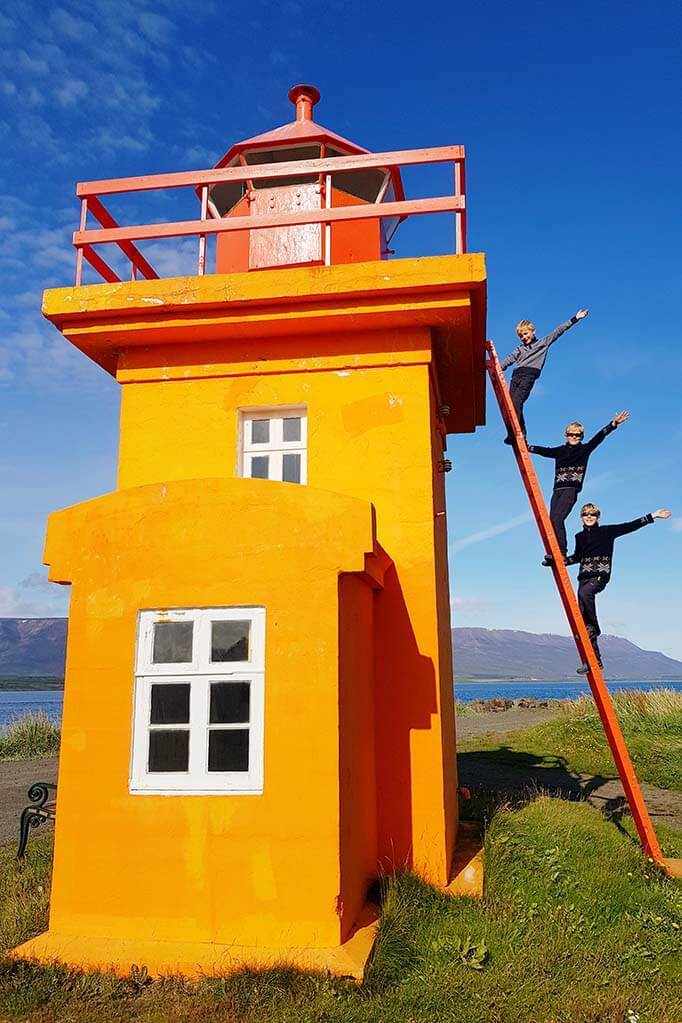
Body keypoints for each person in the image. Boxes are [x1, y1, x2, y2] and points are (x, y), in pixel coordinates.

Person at [566, 504, 672, 671]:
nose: (589, 516)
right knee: (584, 619)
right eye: (586, 514)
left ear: (598, 517)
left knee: (586, 598)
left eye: (592, 514)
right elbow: (578, 557)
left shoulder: (607, 531)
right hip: (583, 578)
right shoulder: (579, 536)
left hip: (599, 578)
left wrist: (653, 516)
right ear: (581, 517)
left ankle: (595, 627)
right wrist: (561, 561)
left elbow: (630, 526)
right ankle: (594, 661)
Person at [529, 411, 629, 564]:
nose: (574, 437)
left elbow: (598, 438)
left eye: (577, 435)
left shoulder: (584, 450)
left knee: (557, 518)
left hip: (570, 490)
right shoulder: (560, 451)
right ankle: (553, 554)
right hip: (557, 491)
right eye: (571, 434)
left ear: (581, 437)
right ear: (566, 435)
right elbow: (545, 451)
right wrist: (528, 447)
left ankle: (561, 552)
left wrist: (613, 424)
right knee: (550, 521)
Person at [500, 309, 589, 444]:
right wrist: (500, 367)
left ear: (533, 331)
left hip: (528, 376)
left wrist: (575, 318)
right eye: (521, 336)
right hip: (516, 376)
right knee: (510, 406)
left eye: (525, 334)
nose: (524, 337)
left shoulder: (543, 342)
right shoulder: (520, 348)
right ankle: (516, 433)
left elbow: (559, 331)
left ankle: (516, 434)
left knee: (517, 403)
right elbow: (510, 358)